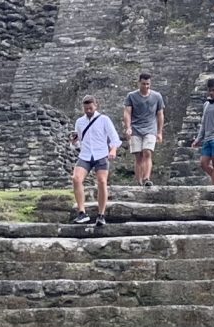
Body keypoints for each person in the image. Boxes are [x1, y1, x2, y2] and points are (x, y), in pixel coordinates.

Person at [70, 93, 122, 224]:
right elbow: (77, 143)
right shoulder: (79, 122)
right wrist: (74, 142)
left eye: (90, 108)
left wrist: (113, 149)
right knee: (76, 179)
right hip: (85, 154)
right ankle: (82, 212)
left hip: (101, 154)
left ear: (95, 106)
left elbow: (114, 138)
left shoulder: (104, 119)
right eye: (86, 109)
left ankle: (101, 214)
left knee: (102, 181)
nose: (88, 111)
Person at [122, 71, 166, 187]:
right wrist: (128, 128)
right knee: (138, 156)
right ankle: (139, 181)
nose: (146, 86)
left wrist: (159, 132)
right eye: (143, 84)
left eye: (148, 84)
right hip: (136, 128)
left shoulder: (157, 96)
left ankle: (147, 178)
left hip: (150, 128)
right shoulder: (131, 96)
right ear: (139, 83)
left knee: (147, 152)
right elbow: (127, 112)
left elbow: (160, 114)